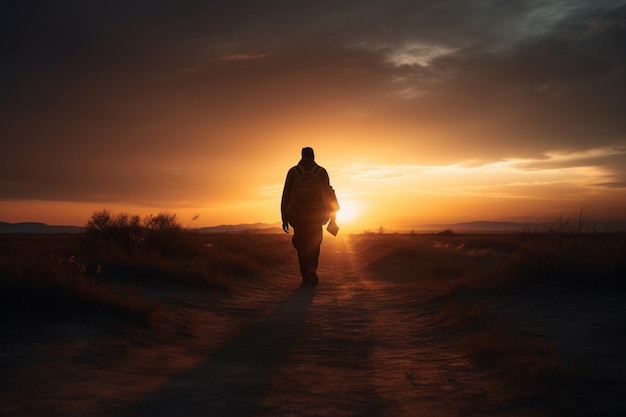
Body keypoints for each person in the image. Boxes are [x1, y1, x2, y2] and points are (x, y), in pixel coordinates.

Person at [281, 147, 339, 286]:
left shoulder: (293, 172)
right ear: (313, 156)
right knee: (315, 243)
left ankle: (304, 275)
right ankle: (312, 268)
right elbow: (328, 195)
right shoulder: (321, 172)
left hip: (298, 217)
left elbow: (286, 195)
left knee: (301, 245)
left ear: (301, 156)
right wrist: (333, 217)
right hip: (317, 216)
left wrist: (284, 217)